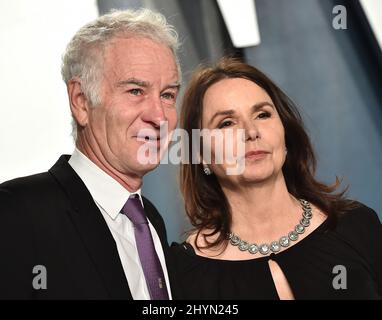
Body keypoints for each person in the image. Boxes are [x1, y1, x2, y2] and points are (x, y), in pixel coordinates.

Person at [0, 9, 181, 300]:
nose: (159, 116)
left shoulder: (151, 221)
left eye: (168, 95)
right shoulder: (15, 213)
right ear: (81, 102)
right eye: (136, 91)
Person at [170, 57, 382, 299]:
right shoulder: (183, 272)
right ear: (201, 154)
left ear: (284, 131)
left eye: (262, 114)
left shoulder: (356, 226)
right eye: (226, 123)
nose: (251, 132)